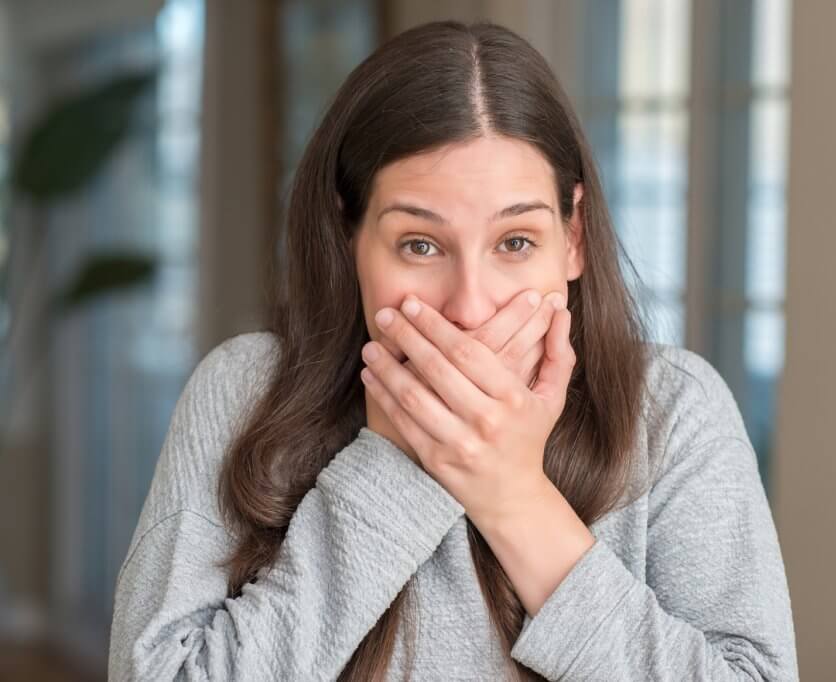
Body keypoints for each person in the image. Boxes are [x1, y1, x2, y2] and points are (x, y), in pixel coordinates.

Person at [107, 19, 799, 682]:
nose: (469, 306)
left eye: (515, 243)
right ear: (351, 242)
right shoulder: (245, 390)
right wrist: (397, 468)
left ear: (575, 238)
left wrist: (513, 496)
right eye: (420, 245)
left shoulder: (671, 410)